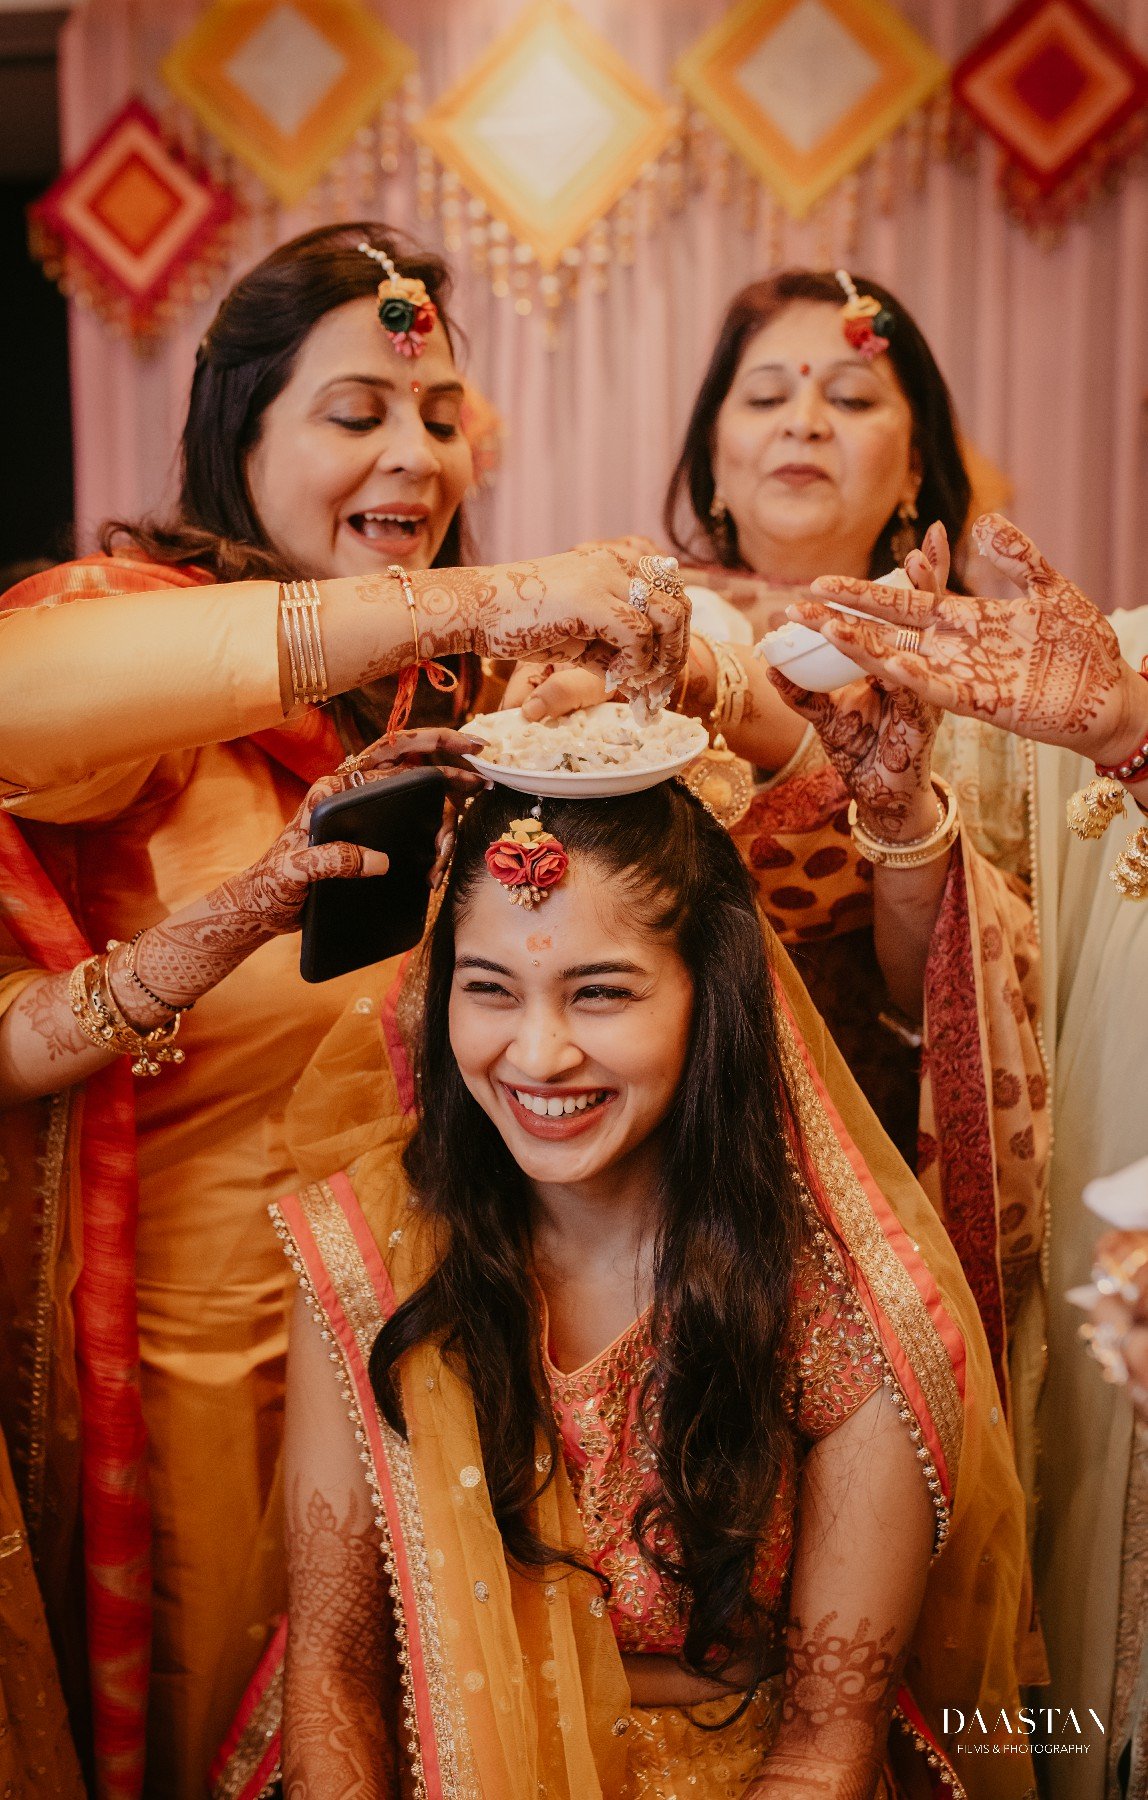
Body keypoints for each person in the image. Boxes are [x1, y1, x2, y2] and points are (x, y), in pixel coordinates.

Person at [0, 221, 686, 1798]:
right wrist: (471, 604)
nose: (415, 454)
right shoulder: (136, 639)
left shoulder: (450, 715)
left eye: (441, 413)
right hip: (183, 1382)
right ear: (238, 433)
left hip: (422, 1357)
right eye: (357, 408)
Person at [272, 778, 1034, 1800]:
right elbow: (333, 1676)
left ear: (710, 997)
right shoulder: (380, 1253)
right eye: (489, 987)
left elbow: (826, 1746)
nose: (536, 1055)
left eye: (599, 991)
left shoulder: (840, 1303)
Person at [509, 273, 1046, 1521]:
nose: (803, 419)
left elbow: (957, 1006)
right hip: (620, 1184)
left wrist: (900, 818)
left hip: (857, 1202)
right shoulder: (619, 630)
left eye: (850, 393)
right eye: (766, 392)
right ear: (713, 451)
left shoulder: (989, 678)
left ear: (916, 461)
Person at [787, 513, 1148, 1800]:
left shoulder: (1105, 692)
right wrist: (895, 817)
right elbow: (952, 970)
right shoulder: (1095, 660)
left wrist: (1128, 742)